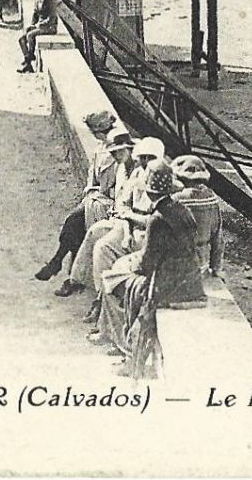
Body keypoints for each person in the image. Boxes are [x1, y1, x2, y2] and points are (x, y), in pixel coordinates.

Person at [95, 160, 205, 372]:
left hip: (168, 285)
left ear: (150, 193)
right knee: (123, 277)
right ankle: (126, 347)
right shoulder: (182, 210)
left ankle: (128, 351)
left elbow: (147, 264)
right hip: (190, 278)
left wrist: (129, 266)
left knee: (113, 285)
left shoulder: (157, 219)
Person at [58, 136, 164, 301]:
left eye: (151, 158)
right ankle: (80, 282)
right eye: (143, 157)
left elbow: (156, 218)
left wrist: (128, 217)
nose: (145, 162)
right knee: (93, 232)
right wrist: (127, 229)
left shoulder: (162, 178)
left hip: (147, 232)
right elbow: (123, 204)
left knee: (103, 246)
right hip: (127, 224)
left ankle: (102, 297)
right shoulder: (135, 172)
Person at [36, 126, 134, 282]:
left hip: (114, 211)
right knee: (73, 221)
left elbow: (120, 196)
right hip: (103, 204)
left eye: (119, 151)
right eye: (114, 152)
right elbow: (95, 182)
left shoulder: (132, 170)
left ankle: (67, 271)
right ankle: (60, 263)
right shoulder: (120, 165)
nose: (115, 155)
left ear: (129, 149)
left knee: (80, 224)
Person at [169, 155, 223, 276]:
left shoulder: (177, 198)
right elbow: (218, 238)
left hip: (179, 265)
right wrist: (216, 268)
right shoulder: (212, 197)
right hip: (201, 264)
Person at [17, 0, 58, 74]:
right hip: (40, 26)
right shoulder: (37, 1)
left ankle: (28, 62)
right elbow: (35, 15)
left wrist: (40, 24)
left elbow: (52, 18)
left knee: (30, 35)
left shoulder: (50, 2)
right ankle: (29, 59)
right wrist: (32, 24)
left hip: (49, 27)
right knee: (21, 39)